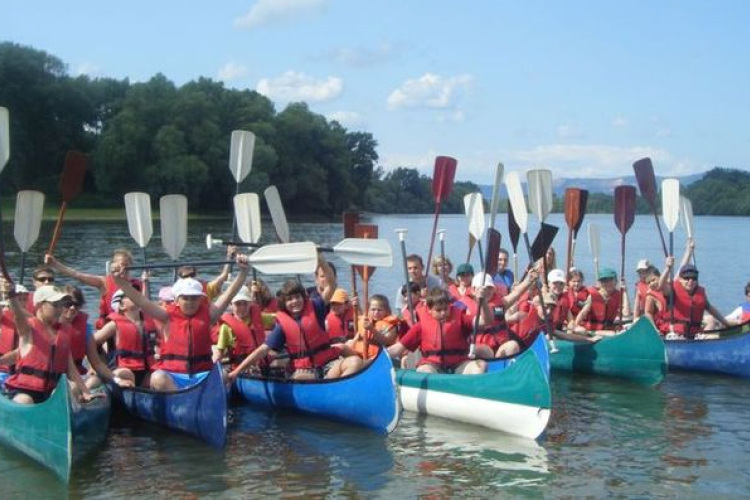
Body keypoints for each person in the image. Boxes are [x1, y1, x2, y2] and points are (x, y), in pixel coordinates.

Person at [110, 253, 251, 391]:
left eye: (194, 298)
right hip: (174, 375)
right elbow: (140, 300)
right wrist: (119, 281)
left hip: (201, 373)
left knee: (223, 375)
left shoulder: (209, 314)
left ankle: (196, 398)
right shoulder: (165, 315)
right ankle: (183, 400)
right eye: (186, 298)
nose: (190, 302)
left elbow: (230, 294)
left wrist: (243, 272)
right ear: (177, 300)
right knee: (157, 379)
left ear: (201, 299)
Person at [227, 276, 364, 382]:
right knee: (300, 378)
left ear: (303, 298)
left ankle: (332, 386)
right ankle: (330, 387)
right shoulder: (282, 326)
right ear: (284, 303)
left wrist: (320, 258)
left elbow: (332, 284)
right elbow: (262, 350)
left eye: (297, 297)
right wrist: (236, 372)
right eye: (289, 299)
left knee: (355, 362)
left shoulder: (316, 309)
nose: (294, 302)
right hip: (304, 371)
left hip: (327, 364)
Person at [2, 286, 92, 404]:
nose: (60, 309)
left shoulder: (62, 333)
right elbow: (18, 315)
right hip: (25, 390)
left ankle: (64, 419)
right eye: (55, 305)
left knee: (73, 388)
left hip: (51, 390)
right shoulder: (28, 329)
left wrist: (86, 392)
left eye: (61, 304)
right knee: (24, 400)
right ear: (39, 305)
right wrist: (11, 296)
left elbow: (71, 369)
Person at [387, 287, 492, 374]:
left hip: (459, 364)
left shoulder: (461, 318)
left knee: (480, 366)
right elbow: (397, 348)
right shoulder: (420, 326)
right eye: (438, 310)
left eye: (446, 309)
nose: (443, 313)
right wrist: (376, 356)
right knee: (423, 371)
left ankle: (470, 393)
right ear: (429, 310)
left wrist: (482, 303)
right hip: (432, 365)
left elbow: (486, 321)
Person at [45, 248, 146, 329]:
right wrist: (55, 264)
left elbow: (146, 306)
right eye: (120, 264)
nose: (123, 268)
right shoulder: (104, 282)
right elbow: (77, 275)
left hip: (132, 325)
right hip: (110, 326)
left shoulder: (138, 285)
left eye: (126, 264)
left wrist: (145, 282)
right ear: (113, 265)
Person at [93, 288, 159, 388]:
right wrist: (98, 364)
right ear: (122, 305)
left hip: (146, 369)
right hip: (123, 368)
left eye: (137, 294)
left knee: (159, 375)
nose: (136, 296)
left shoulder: (150, 322)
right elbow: (92, 342)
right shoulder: (114, 325)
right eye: (131, 295)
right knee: (126, 374)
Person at [660, 260, 730, 339]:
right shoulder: (672, 290)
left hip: (694, 333)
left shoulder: (700, 292)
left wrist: (725, 323)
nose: (690, 281)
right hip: (675, 333)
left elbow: (710, 308)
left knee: (711, 320)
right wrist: (667, 268)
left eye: (694, 278)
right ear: (680, 279)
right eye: (687, 278)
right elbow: (661, 285)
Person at [211, 286, 268, 374]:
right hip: (239, 370)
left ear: (250, 304)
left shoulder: (260, 318)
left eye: (245, 303)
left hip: (262, 366)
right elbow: (219, 353)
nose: (242, 307)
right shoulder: (226, 328)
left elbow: (280, 319)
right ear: (231, 305)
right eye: (238, 304)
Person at [574, 267, 631, 335]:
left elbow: (626, 313)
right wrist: (576, 326)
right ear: (600, 283)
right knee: (611, 334)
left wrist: (625, 291)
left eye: (610, 280)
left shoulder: (618, 295)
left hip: (607, 328)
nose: (607, 283)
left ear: (616, 281)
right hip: (592, 329)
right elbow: (583, 313)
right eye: (604, 281)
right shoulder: (593, 296)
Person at [59, 285, 94, 382]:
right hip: (55, 376)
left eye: (77, 304)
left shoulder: (86, 328)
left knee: (96, 379)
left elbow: (96, 362)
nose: (72, 307)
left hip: (77, 374)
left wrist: (92, 368)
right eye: (68, 303)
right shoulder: (48, 326)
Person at [350, 294, 400, 360]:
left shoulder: (391, 326)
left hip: (378, 358)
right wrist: (357, 307)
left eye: (379, 310)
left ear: (386, 311)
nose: (376, 313)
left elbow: (386, 341)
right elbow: (355, 340)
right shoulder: (366, 321)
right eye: (373, 310)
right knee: (343, 347)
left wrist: (372, 329)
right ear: (369, 310)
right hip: (360, 355)